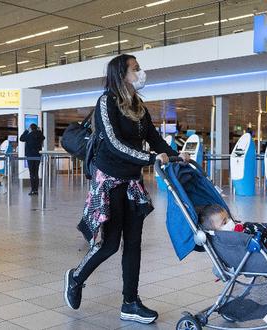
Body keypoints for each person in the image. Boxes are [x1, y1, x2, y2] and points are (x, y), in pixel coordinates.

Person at [64, 54, 190, 325]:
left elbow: (153, 139)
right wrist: (149, 159)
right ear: (122, 74)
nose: (141, 72)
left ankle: (130, 303)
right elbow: (112, 143)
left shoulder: (138, 106)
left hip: (132, 182)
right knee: (109, 244)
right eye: (136, 68)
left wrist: (177, 155)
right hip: (109, 181)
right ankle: (76, 277)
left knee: (134, 243)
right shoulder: (106, 101)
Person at [19, 123, 45, 196]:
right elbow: (43, 137)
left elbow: (21, 138)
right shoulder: (39, 135)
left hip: (30, 156)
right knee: (36, 173)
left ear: (30, 128)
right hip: (37, 156)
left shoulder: (28, 135)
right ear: (36, 128)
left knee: (31, 173)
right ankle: (36, 190)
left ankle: (32, 190)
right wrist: (39, 131)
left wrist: (26, 130)